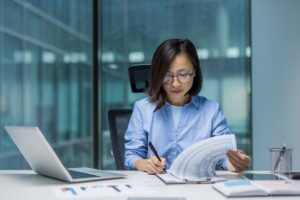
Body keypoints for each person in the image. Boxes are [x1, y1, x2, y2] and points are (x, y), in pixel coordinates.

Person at [124, 39, 251, 174]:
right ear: (158, 75)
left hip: (197, 189)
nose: (175, 84)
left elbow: (225, 155)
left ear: (194, 71)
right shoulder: (143, 109)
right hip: (157, 189)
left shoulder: (211, 110)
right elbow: (131, 156)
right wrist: (145, 164)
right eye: (167, 76)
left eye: (183, 75)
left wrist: (235, 162)